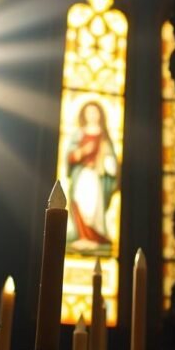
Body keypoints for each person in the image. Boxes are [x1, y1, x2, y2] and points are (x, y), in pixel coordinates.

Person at [66, 100, 118, 251]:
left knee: (93, 206)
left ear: (100, 114)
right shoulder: (79, 133)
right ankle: (82, 236)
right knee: (79, 202)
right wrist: (82, 152)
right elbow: (70, 156)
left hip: (96, 176)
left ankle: (94, 237)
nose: (92, 115)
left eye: (95, 112)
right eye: (89, 112)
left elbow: (110, 158)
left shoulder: (104, 136)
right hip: (82, 175)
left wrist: (108, 162)